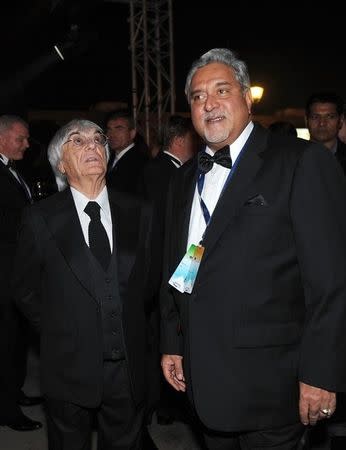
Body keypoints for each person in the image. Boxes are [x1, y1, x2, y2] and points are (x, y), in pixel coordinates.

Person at [160, 48, 346, 450]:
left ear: (247, 97)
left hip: (274, 387)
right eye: (197, 96)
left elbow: (330, 282)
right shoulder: (181, 182)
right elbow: (180, 266)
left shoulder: (301, 161)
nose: (208, 103)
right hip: (204, 381)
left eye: (221, 90)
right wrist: (172, 343)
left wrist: (320, 374)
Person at [12, 119, 159, 449]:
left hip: (128, 367)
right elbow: (24, 289)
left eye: (98, 139)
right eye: (77, 141)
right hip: (67, 365)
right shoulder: (40, 218)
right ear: (61, 164)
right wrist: (59, 328)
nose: (92, 145)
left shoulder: (140, 211)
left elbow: (148, 284)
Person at [0, 114, 42, 432]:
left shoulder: (13, 170)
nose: (27, 144)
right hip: (5, 273)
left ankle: (13, 393)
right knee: (6, 341)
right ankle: (6, 409)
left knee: (16, 340)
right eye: (21, 138)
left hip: (17, 271)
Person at [105, 109, 149, 194]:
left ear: (132, 133)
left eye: (119, 129)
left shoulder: (141, 162)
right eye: (109, 129)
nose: (111, 134)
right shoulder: (110, 158)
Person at [305, 92, 346, 174]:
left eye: (330, 117)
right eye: (315, 117)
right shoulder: (292, 158)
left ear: (341, 120)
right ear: (306, 120)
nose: (322, 123)